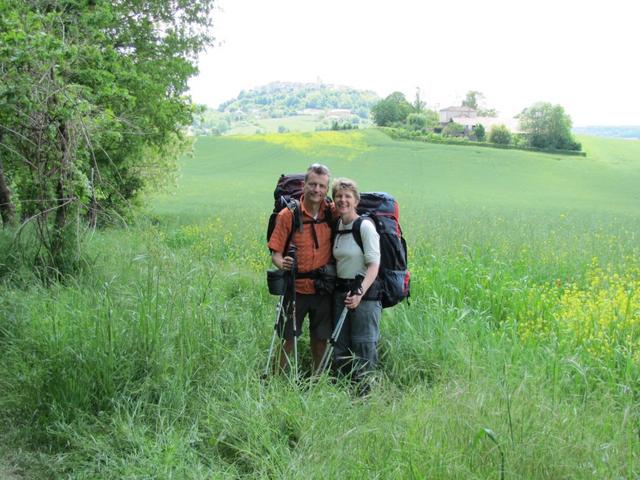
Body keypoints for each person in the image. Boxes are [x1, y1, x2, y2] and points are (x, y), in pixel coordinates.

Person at [268, 163, 334, 371]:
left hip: (323, 288)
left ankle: (317, 378)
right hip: (294, 287)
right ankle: (278, 377)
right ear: (304, 185)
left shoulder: (331, 212)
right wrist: (283, 263)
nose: (317, 190)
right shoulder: (288, 215)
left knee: (321, 338)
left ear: (327, 188)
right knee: (287, 337)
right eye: (313, 184)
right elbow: (276, 254)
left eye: (322, 186)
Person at [331, 177, 381, 384]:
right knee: (340, 345)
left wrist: (359, 293)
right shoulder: (338, 227)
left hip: (365, 296)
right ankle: (342, 391)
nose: (343, 200)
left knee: (363, 345)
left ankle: (365, 395)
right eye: (338, 196)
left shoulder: (365, 226)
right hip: (341, 293)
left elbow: (374, 265)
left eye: (347, 196)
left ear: (356, 200)